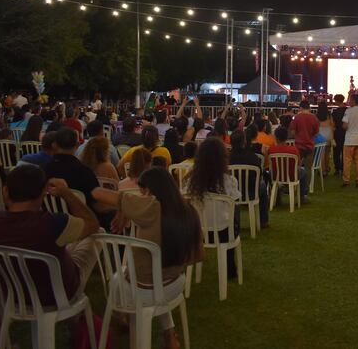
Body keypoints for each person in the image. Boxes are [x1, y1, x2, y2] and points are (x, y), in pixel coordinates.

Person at [93, 167, 202, 349]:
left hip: (143, 289)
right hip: (175, 284)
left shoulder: (150, 207)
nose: (142, 196)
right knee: (153, 281)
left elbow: (97, 193)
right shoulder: (188, 209)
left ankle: (125, 318)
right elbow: (197, 255)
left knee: (121, 279)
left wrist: (126, 205)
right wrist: (126, 211)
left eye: (143, 192)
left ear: (150, 191)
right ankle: (169, 334)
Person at [0, 165, 99, 308]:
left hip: (14, 297)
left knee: (64, 243)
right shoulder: (53, 223)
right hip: (58, 296)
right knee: (97, 233)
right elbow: (93, 224)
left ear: (5, 191)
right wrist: (67, 193)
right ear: (43, 192)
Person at [186, 138, 241, 278]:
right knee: (234, 212)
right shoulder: (229, 181)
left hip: (197, 230)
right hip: (223, 231)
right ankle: (230, 267)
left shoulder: (191, 181)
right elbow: (235, 201)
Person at [228, 130, 269, 228]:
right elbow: (259, 175)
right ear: (244, 142)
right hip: (250, 192)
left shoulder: (226, 158)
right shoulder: (252, 157)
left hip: (230, 193)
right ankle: (263, 221)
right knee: (263, 185)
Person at [267, 127, 310, 202]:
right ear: (286, 138)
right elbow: (299, 164)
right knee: (303, 172)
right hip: (292, 175)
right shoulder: (293, 150)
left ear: (276, 138)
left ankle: (276, 197)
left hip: (275, 175)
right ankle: (302, 196)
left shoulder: (271, 149)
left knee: (269, 172)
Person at [341, 94, 358, 187]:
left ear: (353, 101)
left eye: (350, 100)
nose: (349, 101)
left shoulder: (348, 111)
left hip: (349, 139)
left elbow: (345, 125)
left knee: (347, 161)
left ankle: (346, 180)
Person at [289, 100, 320, 178]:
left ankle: (296, 182)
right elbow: (316, 134)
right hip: (310, 146)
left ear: (301, 108)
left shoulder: (297, 117)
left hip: (299, 146)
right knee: (308, 168)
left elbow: (292, 132)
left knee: (296, 167)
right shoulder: (314, 118)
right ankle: (308, 183)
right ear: (309, 107)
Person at [331, 95, 348, 177]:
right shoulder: (347, 111)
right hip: (346, 133)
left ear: (336, 101)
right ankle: (344, 168)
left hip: (337, 133)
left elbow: (333, 124)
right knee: (345, 152)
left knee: (336, 153)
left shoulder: (335, 112)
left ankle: (337, 169)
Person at [317, 102, 334, 175]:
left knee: (321, 154)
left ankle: (323, 170)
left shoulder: (317, 115)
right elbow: (332, 125)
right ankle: (327, 167)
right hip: (328, 133)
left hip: (320, 134)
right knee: (327, 153)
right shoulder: (329, 115)